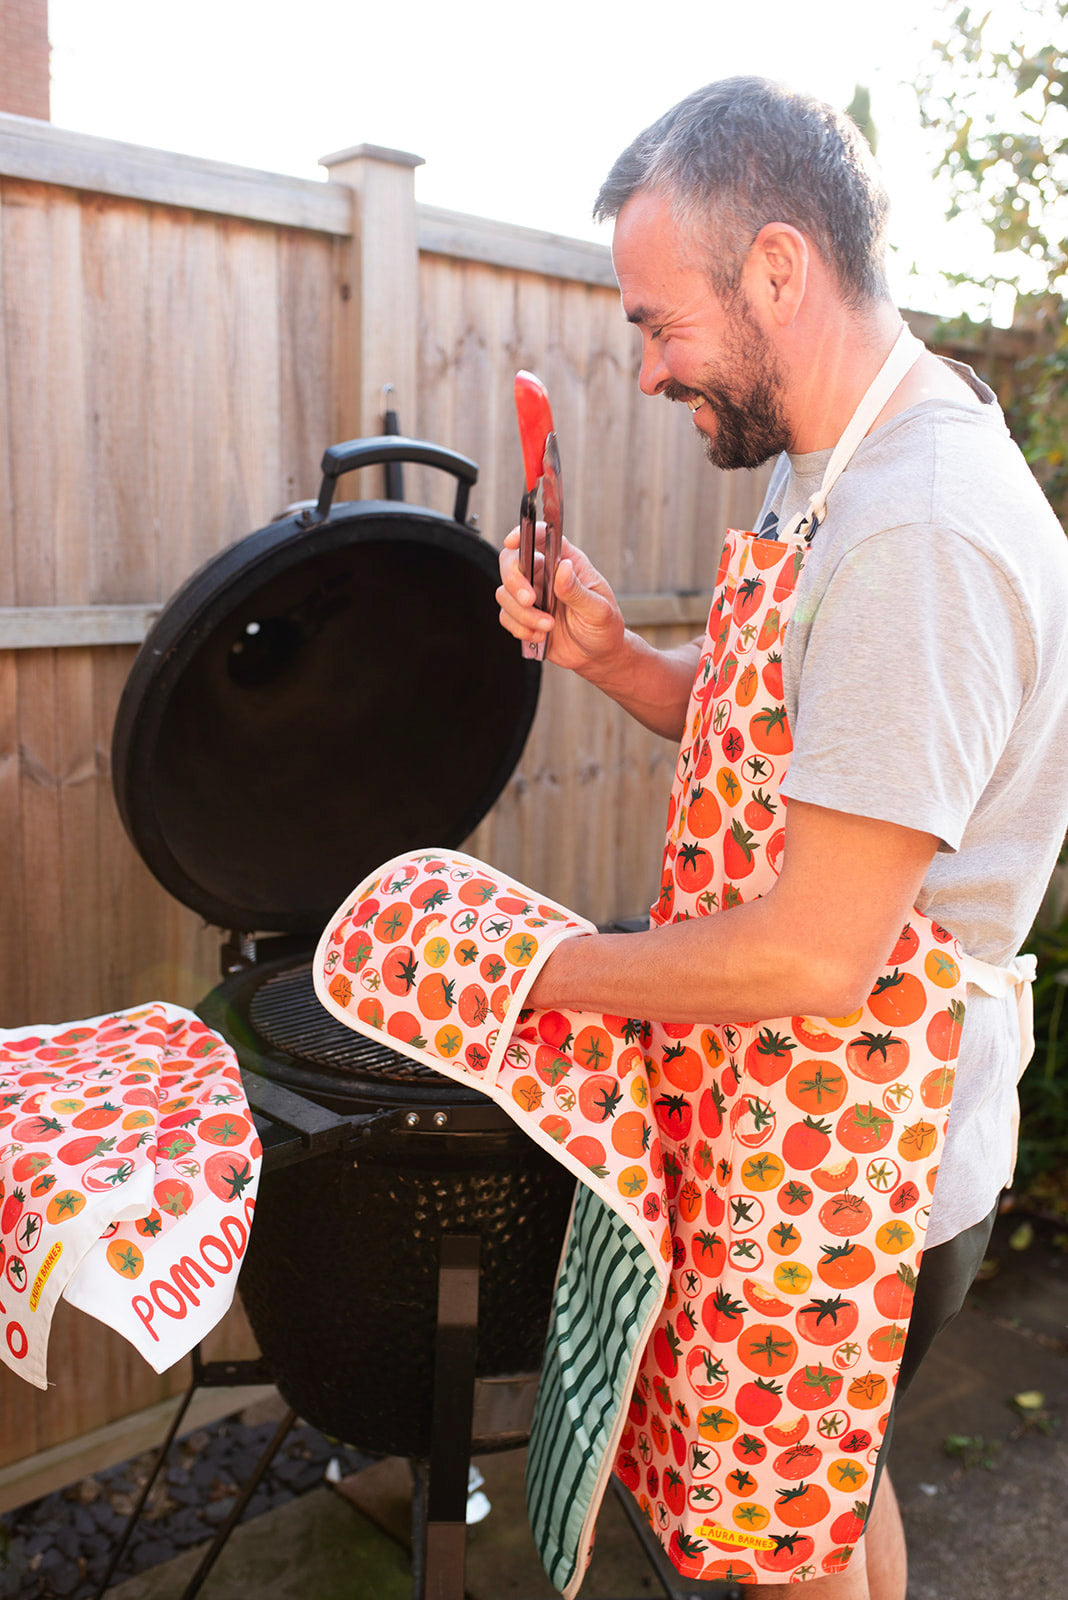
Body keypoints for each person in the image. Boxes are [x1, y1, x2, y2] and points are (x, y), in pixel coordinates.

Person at [496, 78, 1068, 1600]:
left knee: (777, 1553)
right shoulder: (839, 475)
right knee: (827, 1513)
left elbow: (818, 948)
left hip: (858, 1148)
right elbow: (802, 765)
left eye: (654, 324)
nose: (644, 370)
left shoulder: (917, 529)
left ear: (774, 270)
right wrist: (619, 659)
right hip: (792, 1117)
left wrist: (526, 981)